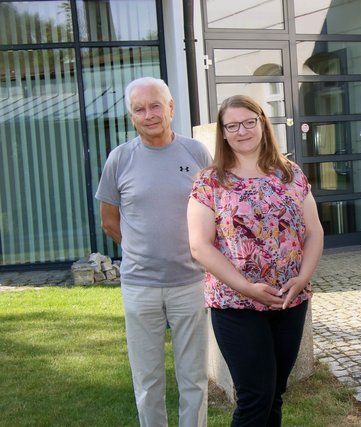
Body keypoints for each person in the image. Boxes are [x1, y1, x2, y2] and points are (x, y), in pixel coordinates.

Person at [187, 94, 324, 427]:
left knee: (275, 393)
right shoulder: (210, 181)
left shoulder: (290, 174)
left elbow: (315, 232)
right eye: (232, 125)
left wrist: (303, 278)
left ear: (263, 123)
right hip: (235, 304)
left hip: (289, 302)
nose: (242, 131)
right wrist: (248, 288)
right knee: (255, 397)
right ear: (222, 133)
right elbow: (200, 247)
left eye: (249, 122)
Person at [95, 77, 211, 427]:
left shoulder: (197, 153)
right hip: (140, 287)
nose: (149, 114)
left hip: (190, 283)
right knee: (147, 382)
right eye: (139, 109)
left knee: (193, 380)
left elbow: (214, 211)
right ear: (131, 117)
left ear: (171, 107)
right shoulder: (120, 159)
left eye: (155, 105)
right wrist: (140, 251)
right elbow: (109, 221)